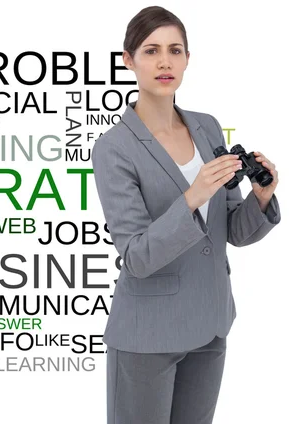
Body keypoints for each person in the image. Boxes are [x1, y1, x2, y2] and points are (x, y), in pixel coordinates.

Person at [91, 6, 281, 424]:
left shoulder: (207, 127)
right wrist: (192, 197)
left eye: (175, 50)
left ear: (187, 59)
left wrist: (261, 198)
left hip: (210, 323)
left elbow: (231, 229)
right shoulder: (114, 148)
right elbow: (136, 256)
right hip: (146, 334)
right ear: (129, 59)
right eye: (151, 50)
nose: (164, 62)